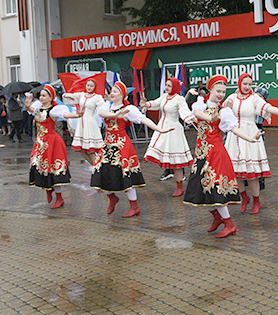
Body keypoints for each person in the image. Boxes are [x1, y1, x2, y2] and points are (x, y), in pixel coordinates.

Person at [184, 75, 264, 237]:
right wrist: (210, 116)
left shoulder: (225, 111)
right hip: (201, 153)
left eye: (223, 92)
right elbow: (199, 114)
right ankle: (217, 218)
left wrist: (250, 138)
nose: (221, 94)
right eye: (218, 91)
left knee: (215, 188)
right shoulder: (200, 103)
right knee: (200, 189)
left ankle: (229, 224)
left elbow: (234, 129)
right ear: (211, 89)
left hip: (216, 153)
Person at [223, 73, 278, 215]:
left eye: (250, 84)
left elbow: (268, 108)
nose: (247, 87)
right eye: (244, 84)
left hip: (250, 133)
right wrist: (224, 107)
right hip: (234, 135)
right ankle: (244, 197)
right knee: (236, 172)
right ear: (239, 83)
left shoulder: (254, 98)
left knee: (252, 173)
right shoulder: (232, 98)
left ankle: (256, 200)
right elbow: (222, 110)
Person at [91, 81, 170, 217]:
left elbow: (143, 119)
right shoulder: (107, 106)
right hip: (108, 145)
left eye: (115, 91)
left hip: (122, 145)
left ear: (122, 95)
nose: (112, 94)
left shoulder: (129, 109)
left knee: (126, 175)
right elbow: (101, 113)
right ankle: (112, 198)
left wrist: (159, 129)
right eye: (112, 91)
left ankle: (134, 206)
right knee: (102, 172)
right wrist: (115, 115)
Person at [24, 85, 81, 208]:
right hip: (40, 142)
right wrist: (27, 104)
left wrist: (77, 115)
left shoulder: (54, 110)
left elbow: (65, 115)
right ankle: (48, 190)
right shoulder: (37, 107)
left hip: (52, 142)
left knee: (53, 169)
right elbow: (30, 109)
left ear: (51, 97)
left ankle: (59, 198)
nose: (41, 97)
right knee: (36, 164)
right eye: (41, 95)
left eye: (44, 95)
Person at [140, 78, 196, 197]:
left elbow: (184, 111)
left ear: (175, 87)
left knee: (176, 161)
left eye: (169, 86)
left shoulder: (179, 99)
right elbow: (155, 104)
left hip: (173, 130)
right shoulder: (164, 96)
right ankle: (171, 177)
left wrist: (191, 119)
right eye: (166, 85)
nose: (167, 87)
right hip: (162, 128)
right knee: (162, 153)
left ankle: (179, 187)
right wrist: (146, 103)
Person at [62, 77, 105, 165]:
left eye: (91, 86)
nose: (89, 87)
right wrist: (66, 95)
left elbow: (103, 107)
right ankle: (96, 166)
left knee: (90, 150)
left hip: (90, 122)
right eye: (88, 85)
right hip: (81, 121)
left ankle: (98, 167)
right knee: (80, 150)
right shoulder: (82, 95)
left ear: (95, 87)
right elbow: (70, 98)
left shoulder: (97, 97)